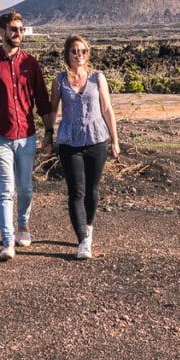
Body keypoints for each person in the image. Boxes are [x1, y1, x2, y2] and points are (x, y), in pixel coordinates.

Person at [0, 10, 55, 260]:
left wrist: (48, 133)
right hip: (0, 136)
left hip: (27, 135)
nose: (19, 34)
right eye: (14, 30)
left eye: (21, 30)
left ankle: (23, 225)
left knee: (26, 188)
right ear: (2, 33)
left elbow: (42, 101)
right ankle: (8, 241)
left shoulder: (31, 63)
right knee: (6, 190)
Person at [50, 33, 120, 260]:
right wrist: (48, 134)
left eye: (83, 51)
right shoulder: (59, 80)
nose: (79, 55)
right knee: (76, 191)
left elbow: (107, 109)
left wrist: (115, 140)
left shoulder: (97, 78)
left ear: (88, 53)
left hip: (97, 139)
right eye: (74, 51)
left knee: (92, 190)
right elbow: (52, 110)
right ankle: (82, 240)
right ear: (67, 54)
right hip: (70, 141)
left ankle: (88, 226)